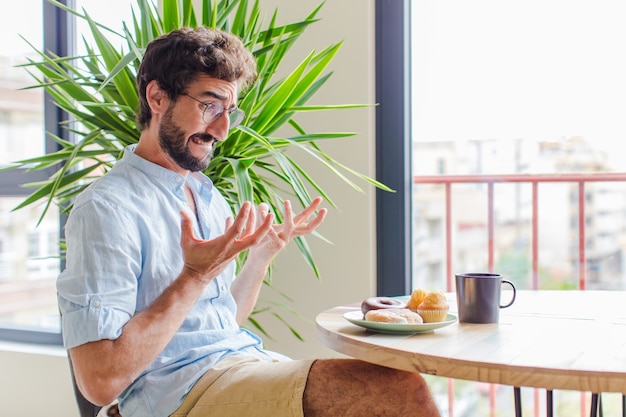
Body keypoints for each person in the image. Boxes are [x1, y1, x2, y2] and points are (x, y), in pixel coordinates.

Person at [57, 26, 442, 417]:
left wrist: (260, 258)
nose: (223, 129)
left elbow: (219, 322)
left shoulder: (207, 195)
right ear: (157, 96)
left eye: (230, 111)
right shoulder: (107, 208)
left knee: (391, 379)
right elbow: (99, 383)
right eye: (210, 106)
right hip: (176, 394)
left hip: (240, 362)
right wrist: (194, 276)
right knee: (398, 390)